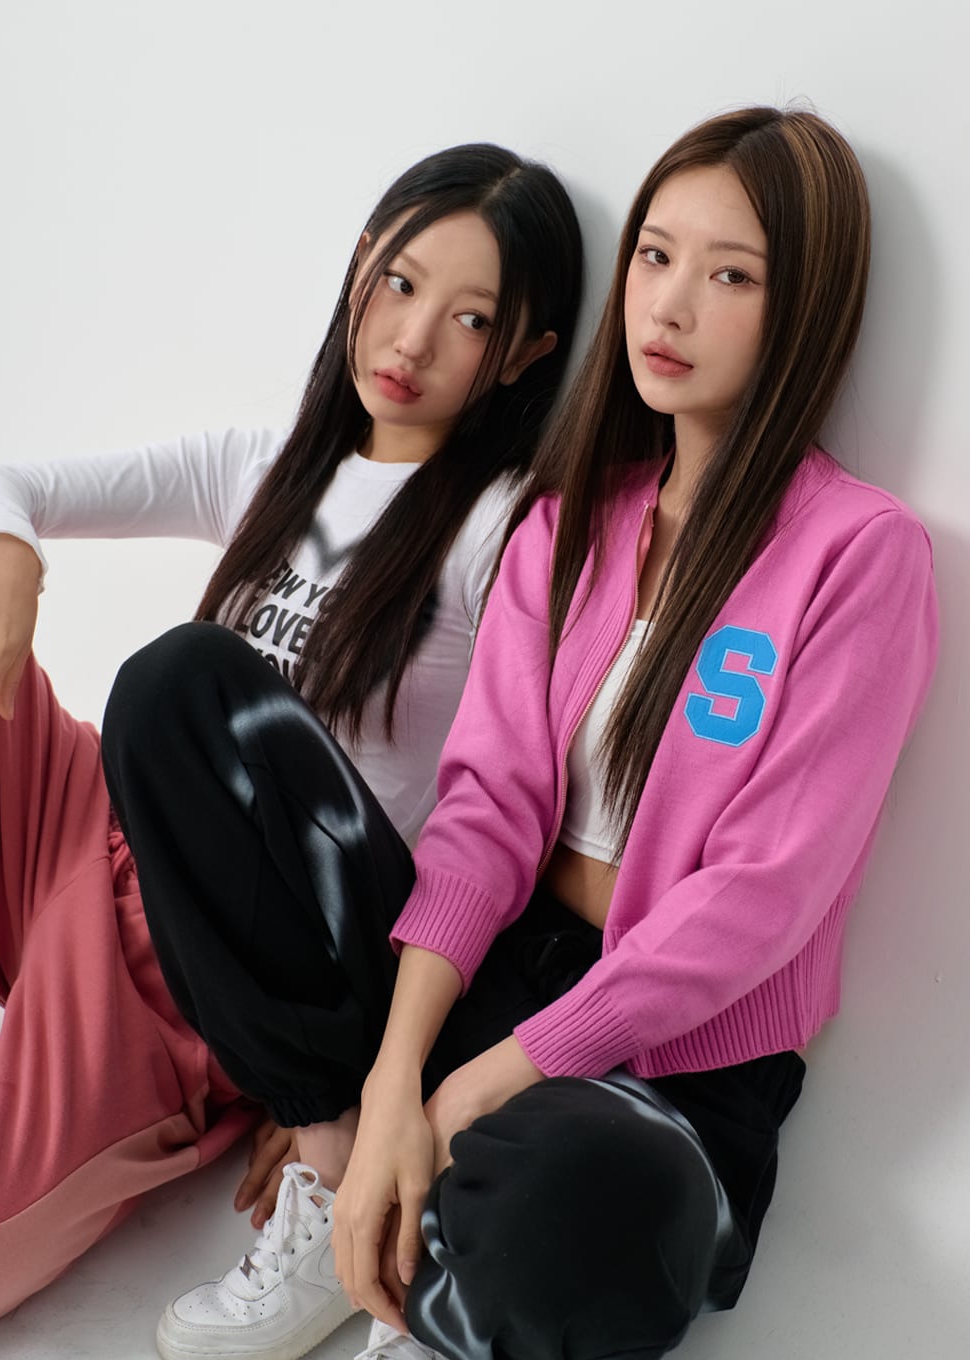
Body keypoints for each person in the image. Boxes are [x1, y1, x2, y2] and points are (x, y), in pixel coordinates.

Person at [102, 105, 937, 1360]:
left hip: (672, 1061)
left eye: (731, 276)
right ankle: (344, 1162)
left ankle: (429, 1281)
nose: (669, 305)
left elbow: (760, 896)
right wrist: (394, 1082)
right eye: (654, 255)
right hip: (487, 971)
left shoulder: (858, 553)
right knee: (182, 689)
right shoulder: (567, 524)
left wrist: (471, 1092)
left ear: (803, 308)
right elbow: (486, 811)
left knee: (590, 1194)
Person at [0, 141, 583, 1340]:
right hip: (88, 828)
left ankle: (296, 1107)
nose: (411, 340)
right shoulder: (267, 463)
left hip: (195, 969)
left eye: (469, 320)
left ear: (521, 355)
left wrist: (336, 1076)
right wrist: (9, 555)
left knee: (184, 673)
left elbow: (507, 811)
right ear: (360, 266)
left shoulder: (505, 529)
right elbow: (4, 478)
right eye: (399, 284)